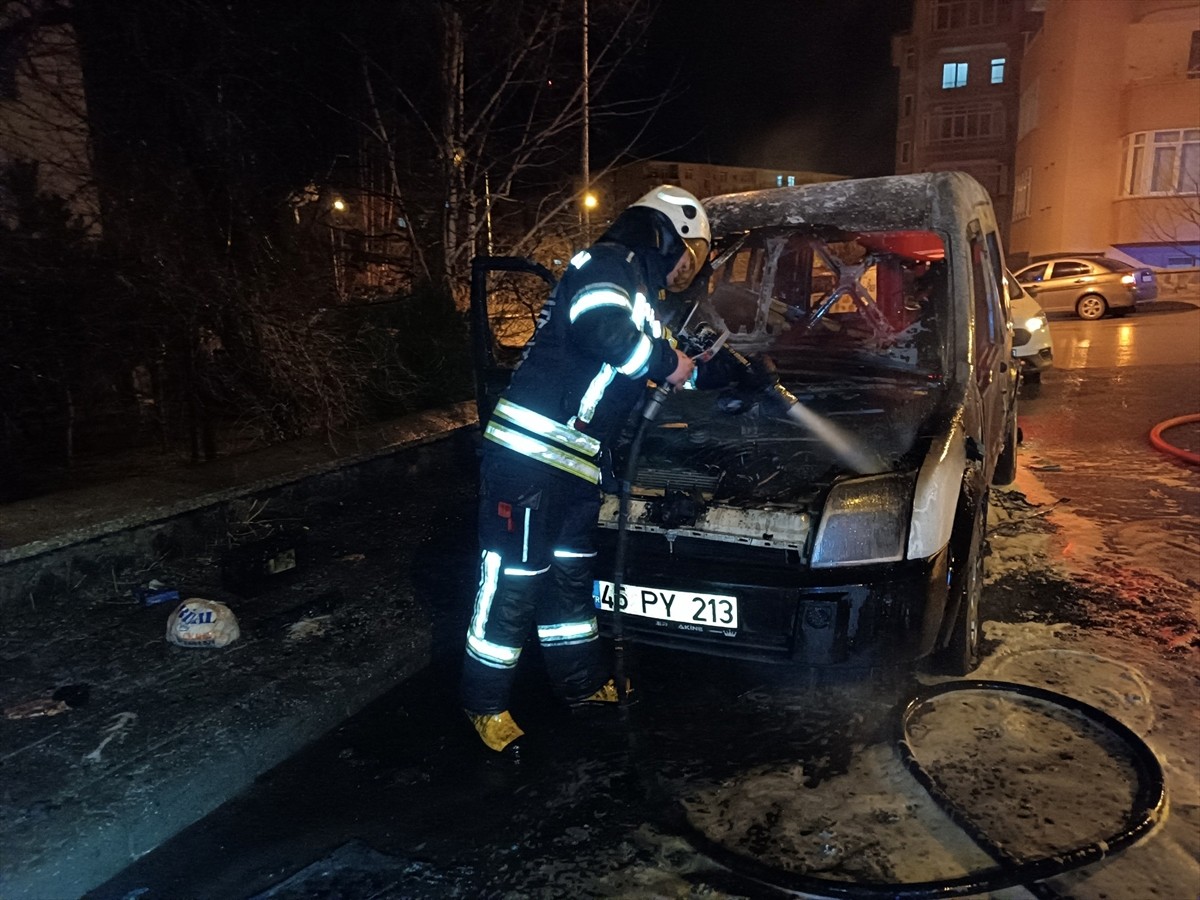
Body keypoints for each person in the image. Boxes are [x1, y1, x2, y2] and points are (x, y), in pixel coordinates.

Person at [460, 185, 712, 756]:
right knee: (512, 585)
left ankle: (579, 685)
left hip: (575, 464)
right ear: (666, 233)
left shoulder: (639, 293)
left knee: (570, 583)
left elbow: (666, 358)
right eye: (687, 254)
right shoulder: (608, 264)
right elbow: (603, 329)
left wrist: (712, 372)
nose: (684, 270)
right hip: (527, 460)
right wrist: (669, 361)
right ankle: (484, 703)